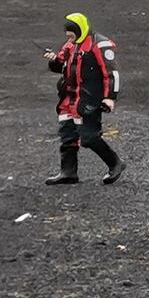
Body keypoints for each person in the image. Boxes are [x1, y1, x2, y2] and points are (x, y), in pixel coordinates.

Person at [44, 12, 126, 185]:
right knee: (67, 134)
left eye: (71, 34)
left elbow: (112, 73)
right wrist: (54, 60)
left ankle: (115, 163)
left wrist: (110, 97)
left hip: (88, 98)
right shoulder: (71, 45)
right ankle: (68, 172)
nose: (69, 38)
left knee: (89, 137)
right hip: (69, 97)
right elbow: (62, 65)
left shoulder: (99, 44)